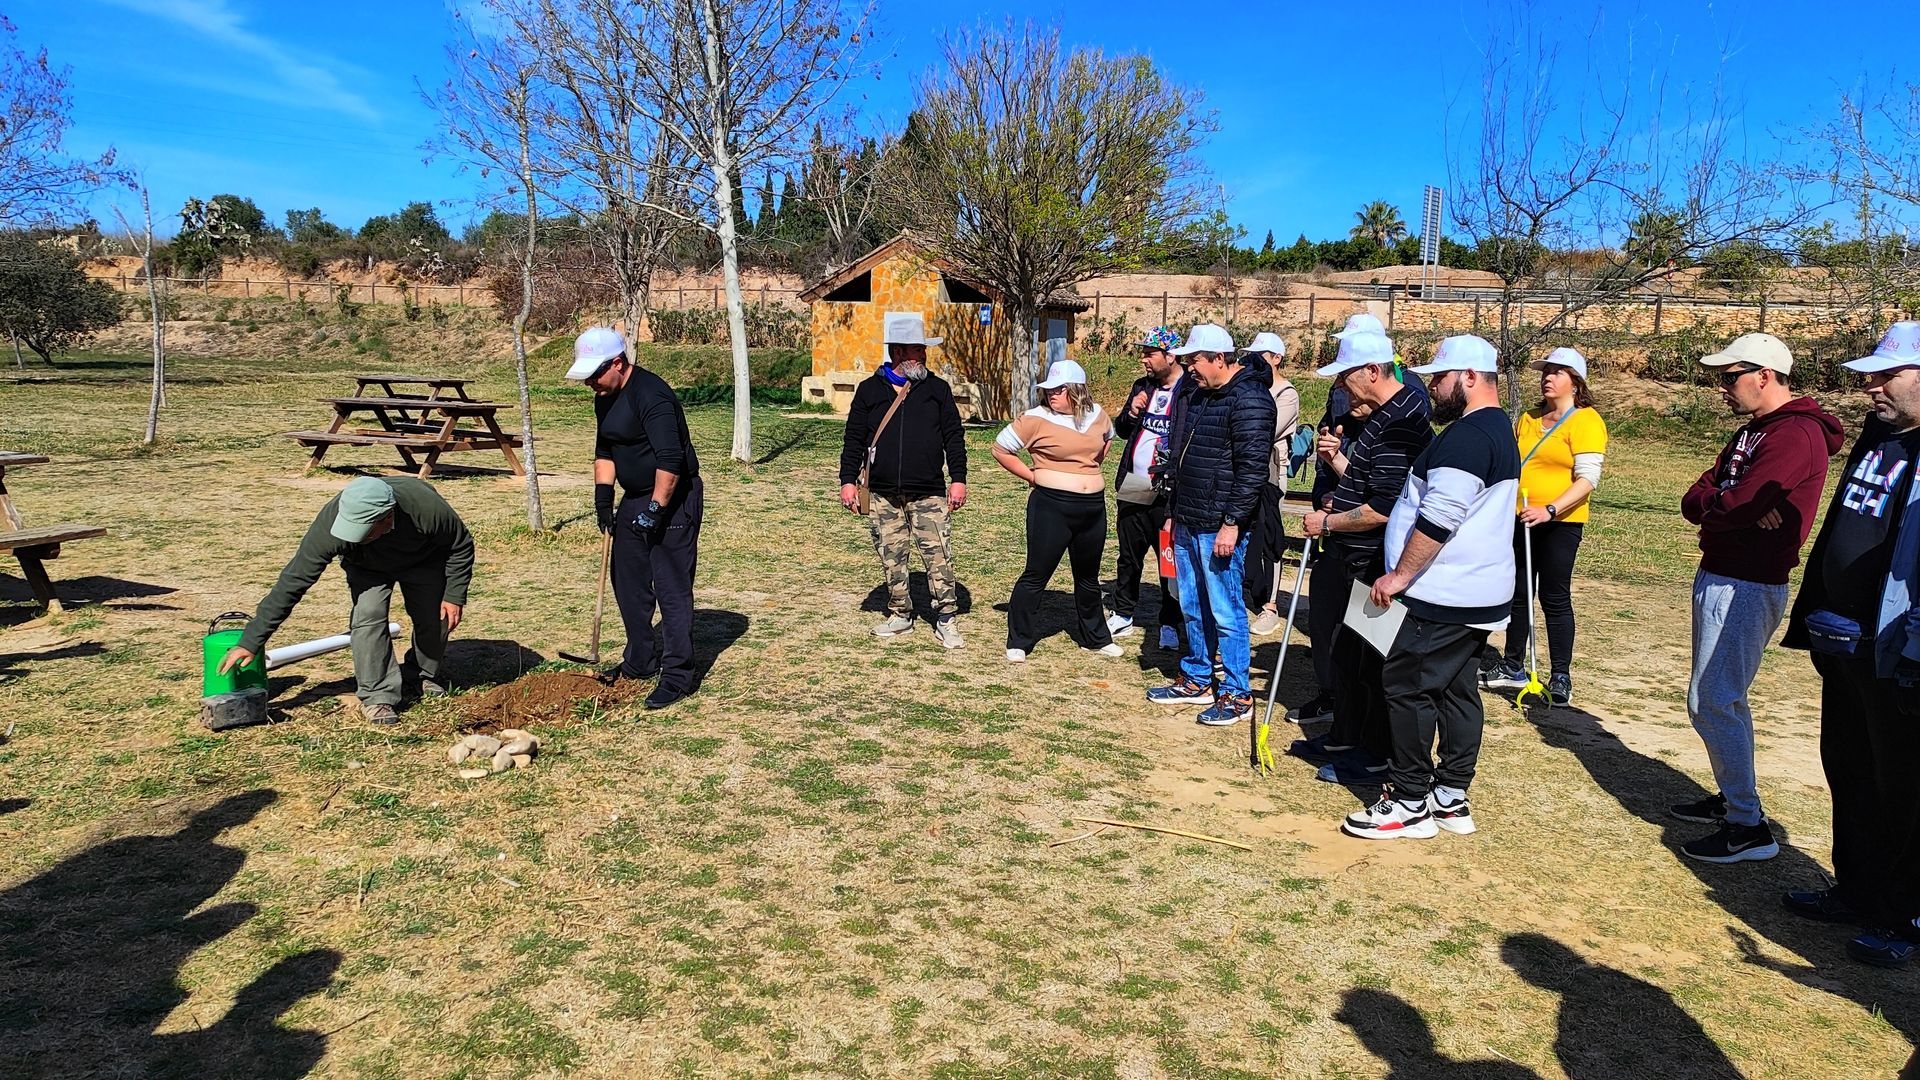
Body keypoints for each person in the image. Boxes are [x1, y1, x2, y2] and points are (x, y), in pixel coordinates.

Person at [1780, 321, 1920, 968]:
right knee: (1850, 769)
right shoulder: (1880, 433)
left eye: (1888, 374)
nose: (1872, 387)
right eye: (1872, 375)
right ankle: (1857, 889)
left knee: (1906, 788)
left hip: (1901, 654)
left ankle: (1903, 915)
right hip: (1845, 641)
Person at [1674, 332, 1843, 863]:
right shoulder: (1754, 432)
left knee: (1711, 699)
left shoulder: (1796, 434)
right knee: (1724, 696)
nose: (1722, 387)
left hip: (1748, 580)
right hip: (1723, 570)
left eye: (1730, 377)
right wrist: (1722, 503)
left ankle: (1748, 826)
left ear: (1764, 375)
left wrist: (1728, 505)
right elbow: (1698, 495)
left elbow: (1745, 503)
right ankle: (1733, 798)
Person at [1341, 335, 1519, 840]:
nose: (1433, 386)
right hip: (1474, 591)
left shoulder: (1468, 437)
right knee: (1457, 691)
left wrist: (1399, 575)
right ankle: (1450, 795)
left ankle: (1409, 800)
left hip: (1442, 593)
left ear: (1469, 377)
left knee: (1409, 687)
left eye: (1440, 377)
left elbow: (1441, 515)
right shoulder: (1494, 428)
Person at [218, 476, 473, 726]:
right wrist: (252, 640)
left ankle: (421, 674)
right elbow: (293, 581)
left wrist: (454, 595)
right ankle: (378, 695)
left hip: (423, 559)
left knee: (435, 615)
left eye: (363, 531)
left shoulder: (425, 508)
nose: (353, 536)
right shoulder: (330, 525)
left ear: (387, 517)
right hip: (367, 567)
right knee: (368, 616)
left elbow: (460, 545)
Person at [1293, 331, 1433, 779]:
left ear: (1373, 371)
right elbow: (1370, 483)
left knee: (1373, 663)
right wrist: (1340, 472)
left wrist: (1329, 523)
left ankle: (1374, 754)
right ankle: (1346, 735)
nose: (1340, 387)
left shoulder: (1400, 422)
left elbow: (1382, 508)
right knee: (1351, 656)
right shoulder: (1382, 415)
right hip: (1357, 556)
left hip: (1375, 560)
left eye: (1346, 376)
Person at [1145, 323, 1277, 726]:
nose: (1190, 368)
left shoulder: (1250, 399)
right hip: (1188, 516)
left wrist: (1232, 523)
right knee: (1191, 603)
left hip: (1220, 523)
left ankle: (1237, 693)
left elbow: (1252, 470)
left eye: (1195, 360)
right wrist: (1173, 507)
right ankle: (1197, 676)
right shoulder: (1200, 393)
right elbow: (1183, 452)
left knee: (1225, 609)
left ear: (1219, 358)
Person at [568, 326, 704, 709]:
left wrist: (656, 509)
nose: (590, 383)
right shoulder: (604, 397)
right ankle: (640, 660)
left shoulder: (652, 395)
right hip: (635, 496)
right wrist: (603, 500)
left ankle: (677, 676)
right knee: (628, 582)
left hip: (674, 496)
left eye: (595, 374)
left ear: (617, 363)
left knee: (671, 586)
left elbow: (670, 460)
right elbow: (605, 451)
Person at [1481, 346, 1609, 706]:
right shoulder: (1528, 418)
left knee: (1554, 595)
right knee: (1519, 592)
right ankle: (1512, 665)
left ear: (1576, 382)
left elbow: (1587, 480)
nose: (1547, 378)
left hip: (1561, 523)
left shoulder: (1586, 421)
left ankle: (1560, 675)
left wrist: (1550, 510)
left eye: (1557, 372)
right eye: (1545, 372)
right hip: (1521, 519)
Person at [837, 312, 969, 648]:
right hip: (882, 494)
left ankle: (946, 618)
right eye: (917, 350)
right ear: (897, 352)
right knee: (891, 556)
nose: (923, 355)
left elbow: (954, 437)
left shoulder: (937, 390)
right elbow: (854, 439)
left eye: (923, 349)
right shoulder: (869, 390)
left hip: (928, 492)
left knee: (938, 556)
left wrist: (958, 479)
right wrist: (847, 480)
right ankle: (900, 614)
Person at [994, 359, 1120, 661]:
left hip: (1092, 508)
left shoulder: (1097, 414)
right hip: (1051, 506)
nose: (1052, 394)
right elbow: (1000, 449)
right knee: (1037, 573)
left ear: (1077, 390)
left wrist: (1085, 471)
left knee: (1088, 577)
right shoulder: (1035, 419)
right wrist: (1032, 475)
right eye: (1049, 389)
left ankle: (1095, 637)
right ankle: (1019, 640)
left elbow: (1107, 442)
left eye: (1059, 389)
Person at [1108, 326, 1187, 650]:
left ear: (1171, 355)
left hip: (1169, 491)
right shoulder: (1143, 387)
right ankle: (1123, 613)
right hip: (1136, 482)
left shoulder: (1190, 389)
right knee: (1129, 554)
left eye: (1150, 353)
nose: (1144, 359)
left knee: (1169, 560)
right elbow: (1122, 430)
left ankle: (1170, 622)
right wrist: (1131, 412)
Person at [1243, 331, 1303, 635]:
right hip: (1247, 471)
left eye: (1261, 355)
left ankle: (1270, 605)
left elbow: (1264, 429)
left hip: (1272, 474)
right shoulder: (1249, 387)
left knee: (1270, 536)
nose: (1254, 361)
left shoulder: (1286, 393)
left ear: (1277, 358)